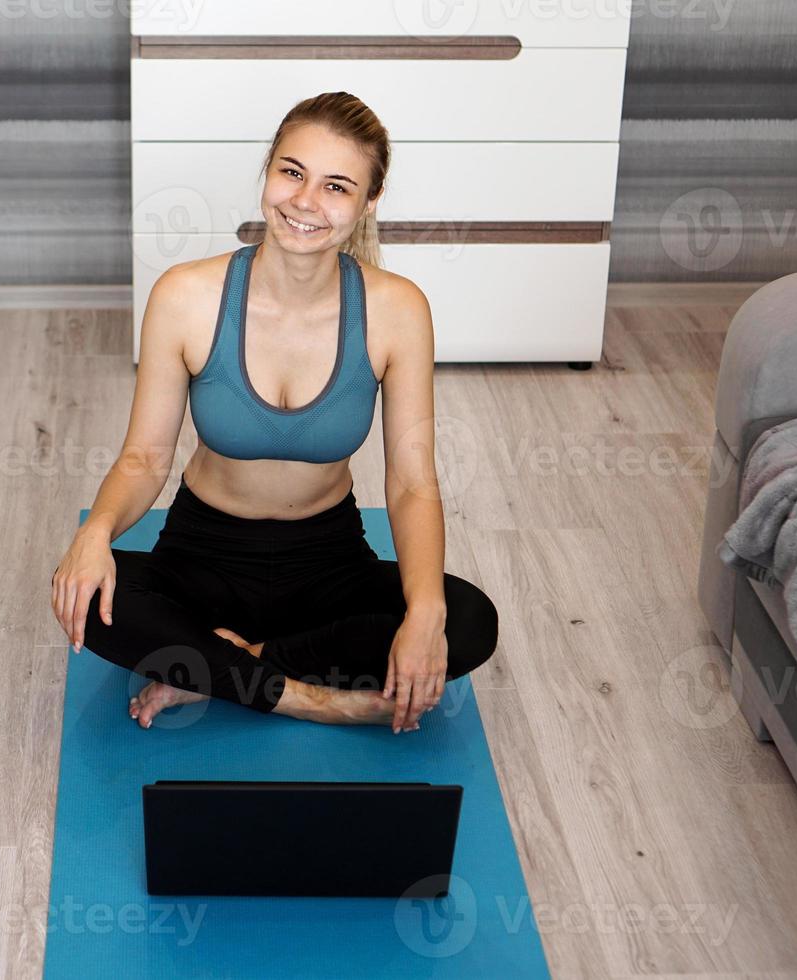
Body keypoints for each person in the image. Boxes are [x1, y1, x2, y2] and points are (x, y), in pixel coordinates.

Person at [51, 91, 498, 734]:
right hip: (201, 555)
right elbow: (144, 458)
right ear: (268, 172)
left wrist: (425, 613)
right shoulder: (187, 295)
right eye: (292, 172)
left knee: (467, 620)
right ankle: (313, 698)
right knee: (86, 597)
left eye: (337, 186)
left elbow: (410, 482)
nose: (305, 202)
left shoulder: (398, 309)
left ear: (369, 201)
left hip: (328, 563)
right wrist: (93, 535)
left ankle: (225, 666)